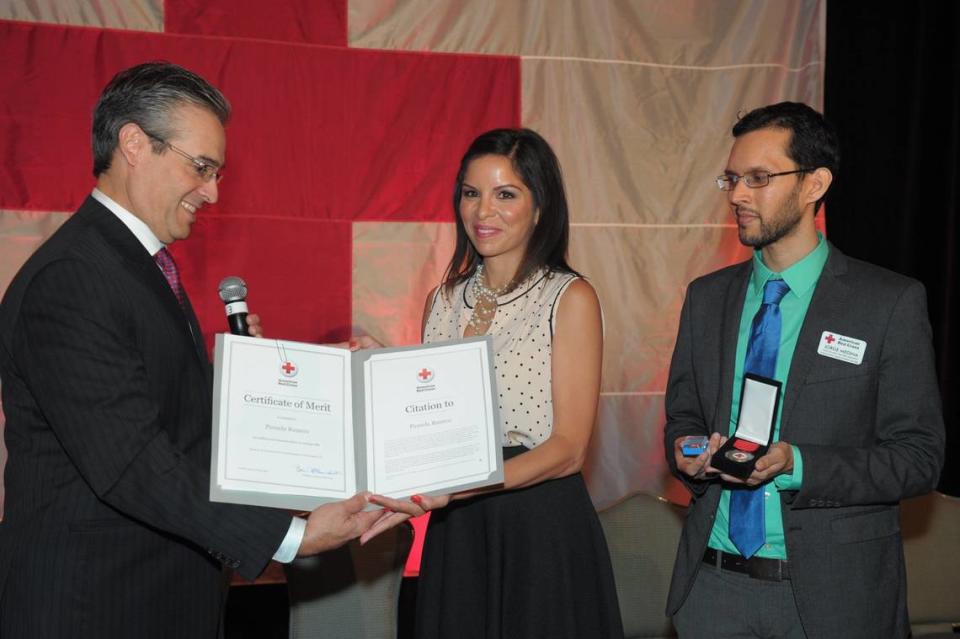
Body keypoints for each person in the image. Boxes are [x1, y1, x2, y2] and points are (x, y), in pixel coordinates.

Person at [0, 62, 381, 638]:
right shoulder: (74, 277)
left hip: (157, 596)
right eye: (201, 167)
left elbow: (174, 424)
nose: (213, 191)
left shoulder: (136, 267)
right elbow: (131, 462)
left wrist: (283, 380)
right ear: (133, 143)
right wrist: (292, 538)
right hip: (94, 607)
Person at [663, 102, 944, 638]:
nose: (737, 195)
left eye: (758, 178)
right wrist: (687, 452)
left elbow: (918, 459)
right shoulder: (707, 299)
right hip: (713, 590)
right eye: (731, 178)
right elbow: (683, 417)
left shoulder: (887, 303)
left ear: (815, 184)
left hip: (833, 600)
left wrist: (797, 465)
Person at [366, 128, 624, 639]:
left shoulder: (568, 297)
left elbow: (569, 450)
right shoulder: (442, 300)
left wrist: (458, 487)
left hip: (539, 524)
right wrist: (374, 375)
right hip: (457, 526)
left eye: (506, 194)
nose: (484, 211)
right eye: (471, 193)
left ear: (540, 206)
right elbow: (429, 421)